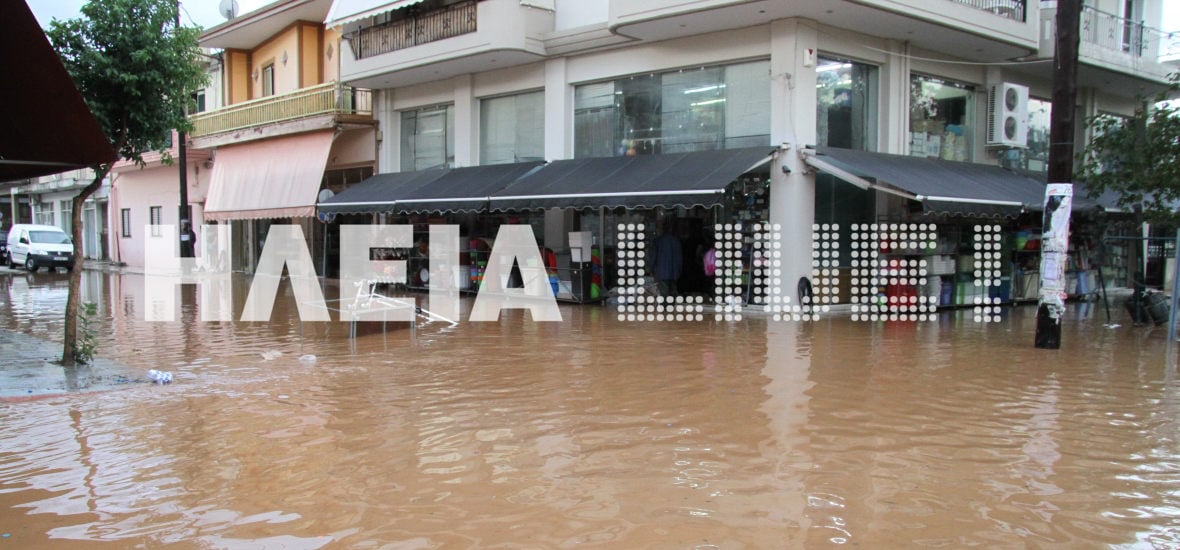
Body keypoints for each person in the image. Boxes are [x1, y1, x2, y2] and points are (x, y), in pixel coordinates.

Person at [652, 223, 683, 296]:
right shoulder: (676, 241)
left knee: (664, 293)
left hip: (662, 271)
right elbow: (679, 258)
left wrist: (651, 268)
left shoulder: (658, 241)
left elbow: (653, 256)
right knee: (673, 291)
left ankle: (665, 306)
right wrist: (679, 270)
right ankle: (672, 306)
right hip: (674, 271)